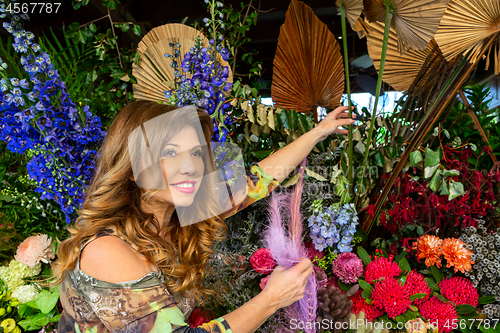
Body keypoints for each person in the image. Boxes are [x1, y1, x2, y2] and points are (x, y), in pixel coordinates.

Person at [52, 100, 355, 333]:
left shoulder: (184, 211)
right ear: (132, 168)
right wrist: (271, 299)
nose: (190, 167)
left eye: (196, 153)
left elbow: (261, 178)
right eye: (170, 152)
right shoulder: (108, 251)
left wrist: (318, 132)